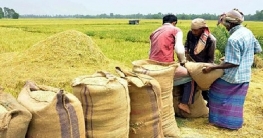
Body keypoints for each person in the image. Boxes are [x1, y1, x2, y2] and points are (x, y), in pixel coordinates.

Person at [202, 8, 262, 129]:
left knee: (214, 92)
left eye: (226, 25)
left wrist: (213, 67)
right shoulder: (247, 32)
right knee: (236, 101)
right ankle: (233, 123)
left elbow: (234, 63)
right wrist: (240, 55)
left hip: (233, 76)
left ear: (231, 24)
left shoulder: (233, 39)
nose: (225, 27)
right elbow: (257, 49)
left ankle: (216, 121)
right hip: (245, 75)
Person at [149, 14, 193, 114]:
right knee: (191, 76)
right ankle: (184, 103)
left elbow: (150, 52)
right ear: (174, 23)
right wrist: (183, 62)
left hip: (152, 65)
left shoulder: (154, 32)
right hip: (166, 66)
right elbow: (179, 50)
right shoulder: (176, 30)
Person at [185, 18, 216, 107]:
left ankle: (209, 104)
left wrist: (207, 68)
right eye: (192, 30)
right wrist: (186, 51)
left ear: (202, 29)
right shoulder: (190, 34)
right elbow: (187, 44)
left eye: (196, 30)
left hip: (203, 64)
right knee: (190, 83)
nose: (193, 32)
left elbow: (211, 58)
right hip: (191, 62)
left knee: (204, 86)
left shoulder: (211, 40)